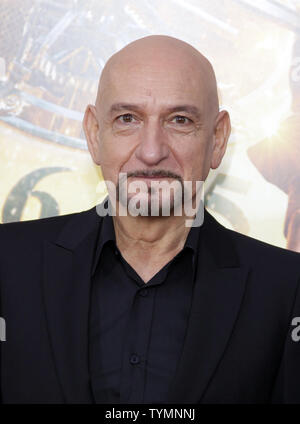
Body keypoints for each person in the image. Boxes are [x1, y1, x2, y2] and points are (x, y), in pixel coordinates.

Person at [0, 35, 300, 404]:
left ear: (218, 139)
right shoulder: (6, 263)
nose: (152, 151)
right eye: (127, 119)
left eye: (179, 120)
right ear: (94, 134)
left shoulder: (288, 289)